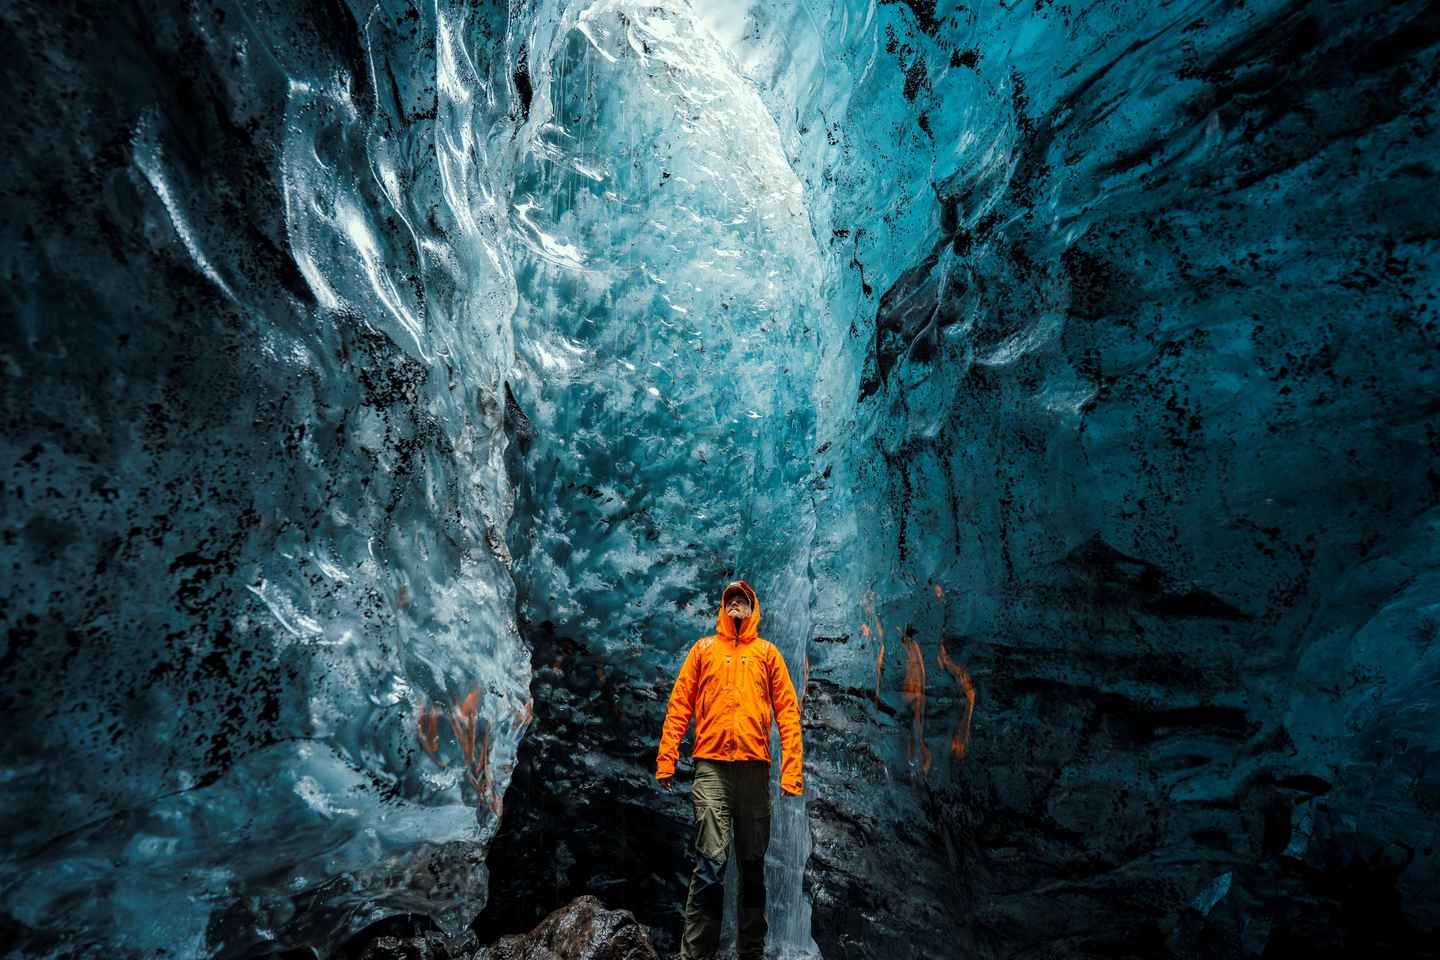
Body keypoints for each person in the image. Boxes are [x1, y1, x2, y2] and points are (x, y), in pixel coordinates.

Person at [655, 579, 805, 960]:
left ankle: (750, 953)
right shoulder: (704, 649)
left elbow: (788, 713)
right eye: (731, 599)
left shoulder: (767, 654)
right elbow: (680, 704)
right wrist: (667, 758)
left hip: (754, 774)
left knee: (752, 868)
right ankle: (695, 955)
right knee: (710, 864)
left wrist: (791, 773)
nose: (736, 604)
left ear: (753, 610)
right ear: (723, 609)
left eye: (743, 600)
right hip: (712, 770)